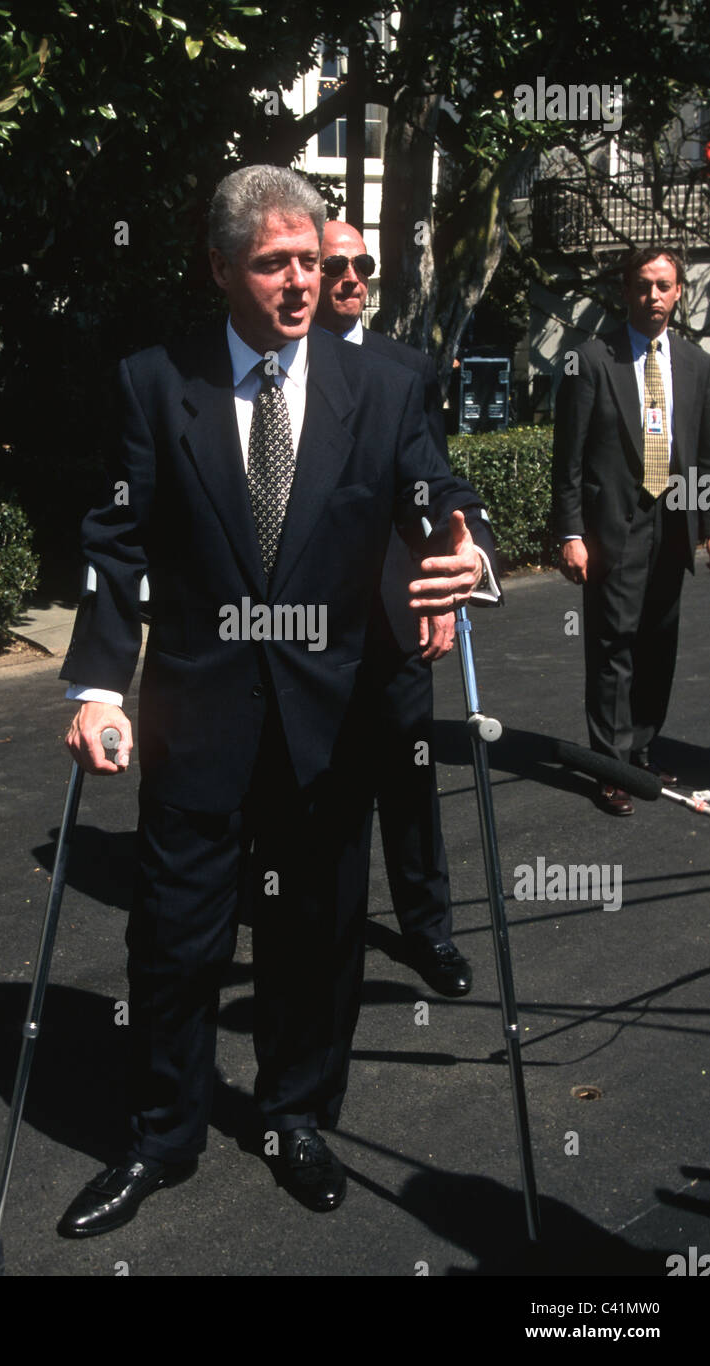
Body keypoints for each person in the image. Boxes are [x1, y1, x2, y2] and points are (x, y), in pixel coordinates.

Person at [55, 165, 497, 1238]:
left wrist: (461, 542)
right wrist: (98, 684)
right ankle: (163, 1132)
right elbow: (116, 541)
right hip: (197, 714)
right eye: (274, 263)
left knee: (316, 933)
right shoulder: (157, 382)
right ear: (221, 268)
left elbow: (430, 484)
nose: (302, 283)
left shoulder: (381, 383)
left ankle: (298, 1115)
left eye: (312, 260)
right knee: (174, 937)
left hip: (330, 719)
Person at [313, 219, 492, 996]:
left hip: (397, 614)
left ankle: (429, 935)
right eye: (335, 265)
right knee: (319, 796)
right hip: (303, 630)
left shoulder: (407, 369)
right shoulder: (265, 372)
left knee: (410, 785)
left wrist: (450, 584)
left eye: (362, 264)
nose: (352, 276)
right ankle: (326, 942)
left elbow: (433, 489)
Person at [552, 245, 710, 815]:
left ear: (678, 293)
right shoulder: (593, 359)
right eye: (643, 286)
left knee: (657, 643)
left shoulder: (695, 364)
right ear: (626, 292)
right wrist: (570, 532)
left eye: (664, 286)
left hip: (673, 523)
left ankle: (641, 751)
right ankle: (611, 767)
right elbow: (566, 458)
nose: (654, 297)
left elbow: (706, 451)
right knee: (613, 643)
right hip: (613, 526)